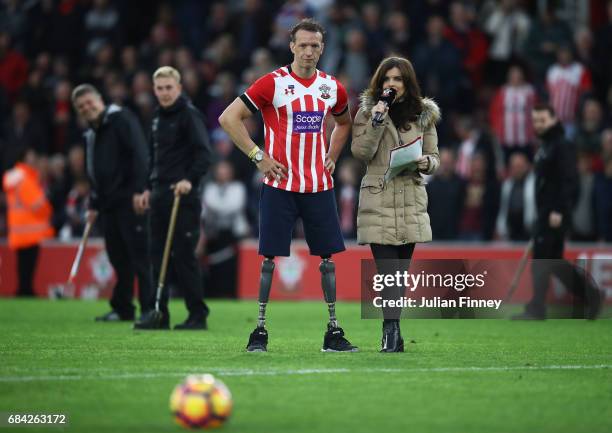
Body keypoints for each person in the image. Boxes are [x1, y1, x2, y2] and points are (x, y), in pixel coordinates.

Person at [218, 18, 356, 352]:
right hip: (280, 185)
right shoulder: (273, 83)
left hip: (319, 186)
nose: (309, 51)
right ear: (292, 46)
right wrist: (258, 156)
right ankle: (259, 332)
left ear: (322, 48)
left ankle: (333, 333)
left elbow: (343, 122)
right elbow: (228, 118)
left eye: (315, 45)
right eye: (303, 45)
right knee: (268, 259)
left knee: (327, 259)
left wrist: (333, 156)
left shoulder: (331, 87)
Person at [351, 56, 440, 352]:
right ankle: (390, 330)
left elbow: (434, 157)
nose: (392, 84)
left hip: (410, 196)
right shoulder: (367, 112)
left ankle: (395, 331)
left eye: (398, 79)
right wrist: (377, 121)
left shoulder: (423, 115)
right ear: (380, 83)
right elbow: (361, 152)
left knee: (400, 272)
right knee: (388, 270)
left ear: (407, 84)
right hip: (380, 195)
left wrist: (426, 162)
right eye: (387, 79)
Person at [134, 66, 212, 330]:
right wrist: (147, 187)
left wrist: (189, 180)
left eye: (169, 88)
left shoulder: (189, 115)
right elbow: (153, 159)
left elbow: (204, 154)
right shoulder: (156, 117)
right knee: (156, 255)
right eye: (160, 88)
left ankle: (197, 314)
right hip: (158, 195)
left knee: (183, 255)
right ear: (154, 90)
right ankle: (159, 312)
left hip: (182, 196)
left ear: (179, 88)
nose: (165, 93)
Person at [72, 84, 153, 322]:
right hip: (108, 204)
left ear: (100, 99)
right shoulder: (92, 133)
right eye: (81, 107)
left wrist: (140, 189)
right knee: (118, 257)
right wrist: (94, 204)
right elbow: (95, 172)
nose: (87, 108)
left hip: (130, 199)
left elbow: (139, 154)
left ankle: (149, 309)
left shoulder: (121, 118)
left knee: (140, 256)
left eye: (89, 102)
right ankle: (123, 308)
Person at [513, 104, 602, 320]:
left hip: (554, 214)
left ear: (554, 119)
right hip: (545, 213)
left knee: (543, 260)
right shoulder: (547, 145)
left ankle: (537, 308)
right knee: (551, 261)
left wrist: (559, 210)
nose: (538, 125)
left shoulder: (562, 145)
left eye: (542, 120)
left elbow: (569, 181)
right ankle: (591, 295)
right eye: (535, 121)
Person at [2, 147, 54, 296]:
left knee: (22, 264)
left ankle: (24, 289)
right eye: (32, 157)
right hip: (30, 230)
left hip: (19, 229)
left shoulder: (15, 178)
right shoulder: (25, 178)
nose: (34, 160)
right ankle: (25, 290)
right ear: (24, 159)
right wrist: (48, 207)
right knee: (28, 264)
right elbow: (38, 204)